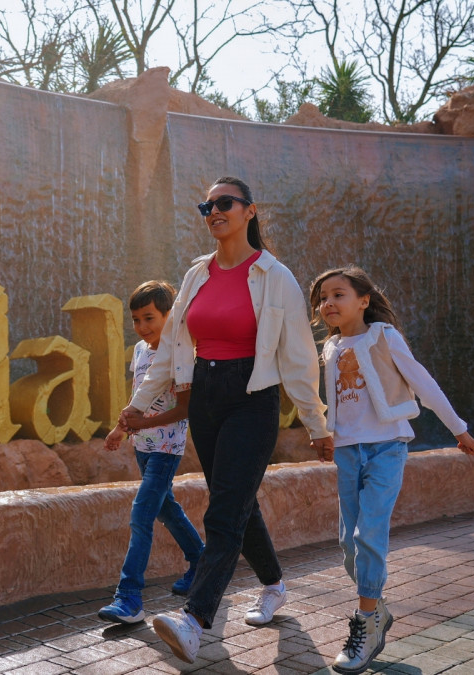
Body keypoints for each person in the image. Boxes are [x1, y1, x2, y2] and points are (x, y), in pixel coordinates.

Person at [120, 177, 334, 664]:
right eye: (207, 205)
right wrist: (140, 404)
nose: (214, 211)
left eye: (224, 203)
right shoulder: (197, 274)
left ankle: (195, 621)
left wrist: (316, 426)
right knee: (236, 502)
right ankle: (275, 584)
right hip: (206, 395)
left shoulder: (274, 276)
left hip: (251, 397)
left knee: (223, 511)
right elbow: (172, 350)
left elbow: (300, 359)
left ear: (249, 211)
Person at [309, 265, 474, 674]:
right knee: (348, 545)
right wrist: (325, 434)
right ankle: (378, 607)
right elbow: (333, 400)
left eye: (338, 294)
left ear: (364, 300)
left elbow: (423, 382)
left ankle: (365, 622)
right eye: (322, 298)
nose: (328, 303)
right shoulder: (330, 348)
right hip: (348, 452)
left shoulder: (384, 336)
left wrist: (458, 429)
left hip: (387, 447)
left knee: (369, 533)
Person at [97, 280, 206, 625]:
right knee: (167, 510)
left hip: (166, 448)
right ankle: (201, 561)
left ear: (169, 316)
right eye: (136, 320)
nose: (143, 327)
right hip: (142, 447)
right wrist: (121, 428)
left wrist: (141, 425)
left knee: (142, 514)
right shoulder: (141, 351)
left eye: (149, 318)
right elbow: (138, 397)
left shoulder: (180, 352)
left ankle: (129, 598)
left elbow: (185, 408)